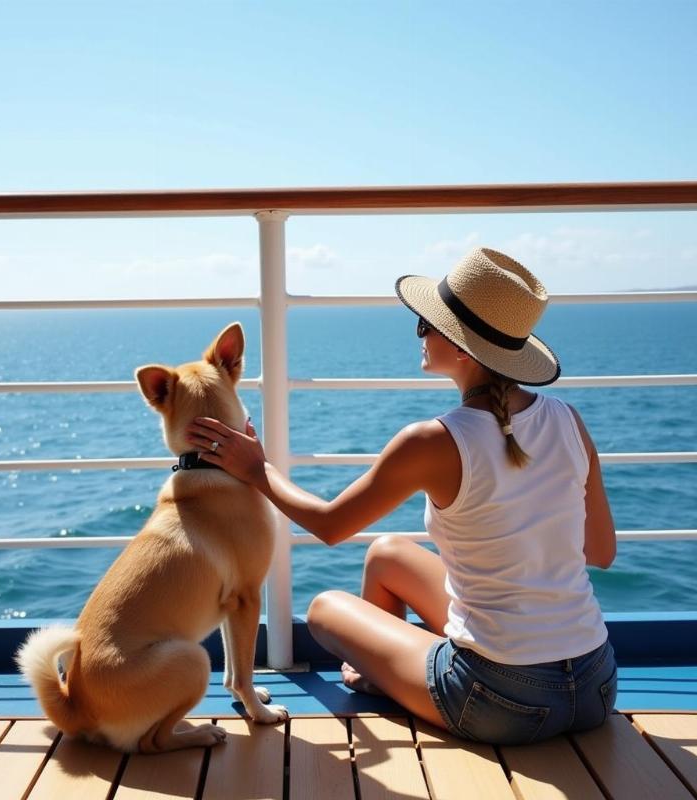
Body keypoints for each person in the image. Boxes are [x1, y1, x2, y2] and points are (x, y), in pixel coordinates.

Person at [187, 246, 618, 745]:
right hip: (596, 685)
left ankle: (390, 679)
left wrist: (257, 469)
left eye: (426, 325)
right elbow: (601, 553)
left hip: (500, 701)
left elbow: (329, 526)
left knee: (326, 608)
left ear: (460, 349)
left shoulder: (433, 440)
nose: (419, 333)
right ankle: (386, 674)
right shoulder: (569, 419)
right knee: (387, 552)